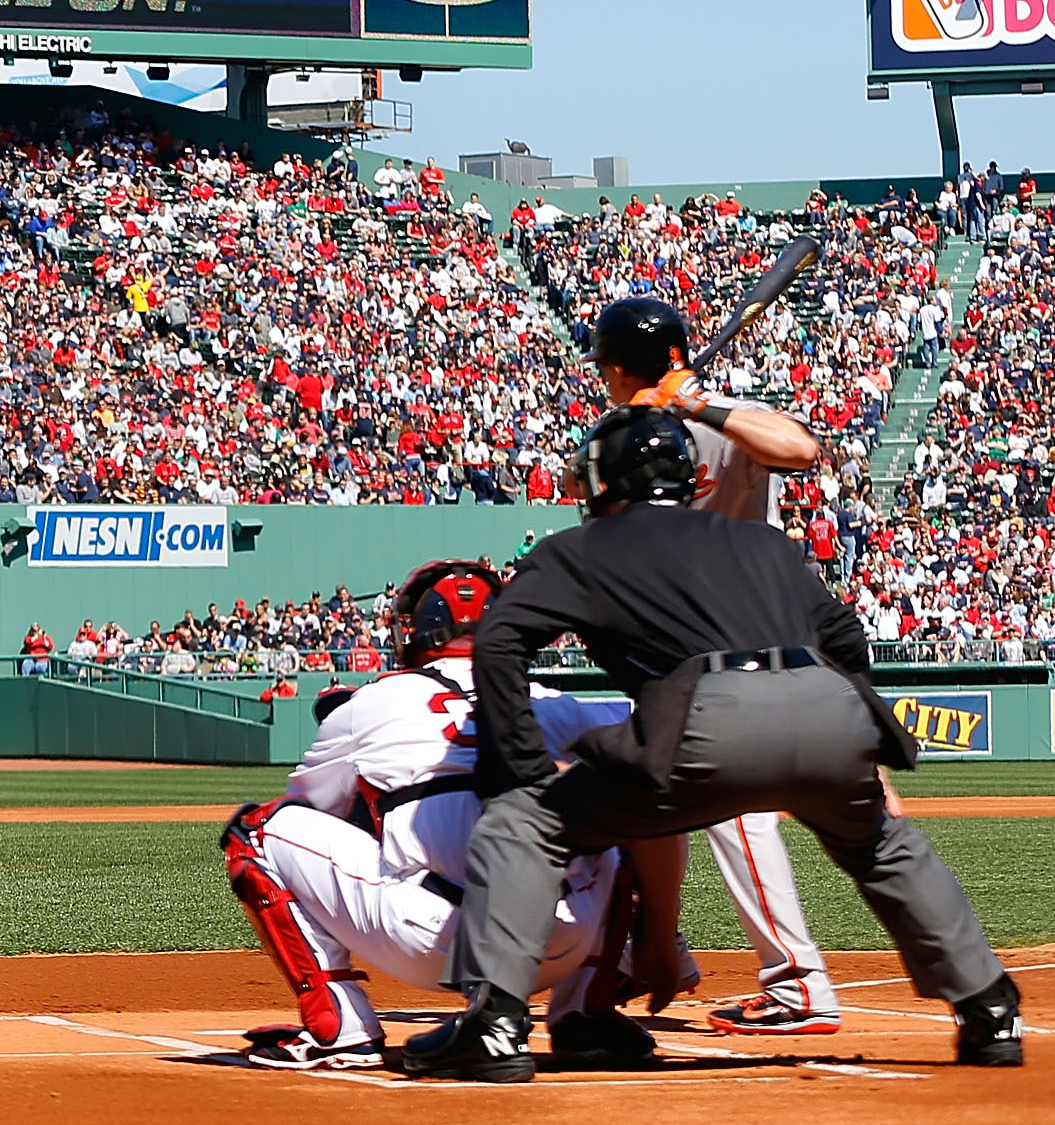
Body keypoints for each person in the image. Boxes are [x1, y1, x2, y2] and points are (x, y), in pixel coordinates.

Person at [411, 406, 1020, 1081]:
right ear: (690, 473)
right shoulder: (761, 542)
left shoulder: (579, 548)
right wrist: (855, 744)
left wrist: (518, 765)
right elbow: (846, 639)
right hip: (828, 703)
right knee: (879, 842)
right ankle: (988, 1007)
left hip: (705, 716)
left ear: (600, 480)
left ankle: (494, 1025)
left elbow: (498, 638)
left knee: (525, 823)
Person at [221, 560, 664, 1072]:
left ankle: (337, 1026)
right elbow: (653, 736)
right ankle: (586, 1011)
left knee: (257, 832)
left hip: (428, 939)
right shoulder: (546, 699)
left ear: (414, 629)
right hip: (559, 937)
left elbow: (308, 806)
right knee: (616, 814)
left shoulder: (372, 701)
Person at [592, 295, 842, 1037]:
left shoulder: (723, 416)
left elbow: (799, 450)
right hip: (670, 653)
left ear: (613, 365)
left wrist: (699, 404)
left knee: (737, 808)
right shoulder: (617, 436)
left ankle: (798, 985)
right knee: (638, 794)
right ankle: (661, 948)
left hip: (742, 637)